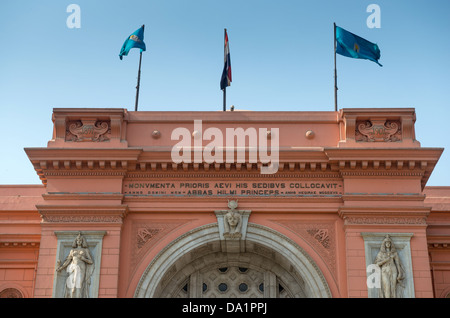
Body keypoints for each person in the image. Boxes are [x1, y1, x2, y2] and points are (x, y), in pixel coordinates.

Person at [56, 232, 94, 298]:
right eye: (77, 240)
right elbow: (68, 261)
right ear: (76, 241)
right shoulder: (72, 250)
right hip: (73, 268)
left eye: (80, 240)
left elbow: (90, 261)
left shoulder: (85, 250)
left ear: (82, 241)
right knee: (72, 285)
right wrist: (61, 268)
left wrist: (83, 258)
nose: (79, 241)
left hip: (81, 268)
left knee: (78, 284)